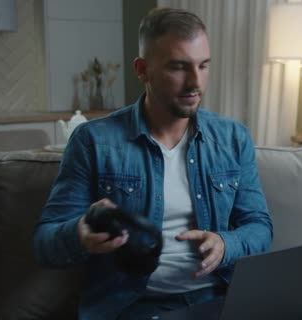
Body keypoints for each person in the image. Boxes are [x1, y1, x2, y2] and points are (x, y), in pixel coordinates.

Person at [33, 7, 273, 320]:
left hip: (217, 299)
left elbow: (260, 227)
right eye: (179, 67)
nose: (195, 83)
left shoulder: (232, 138)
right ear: (142, 69)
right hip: (133, 307)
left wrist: (225, 243)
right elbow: (44, 243)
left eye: (203, 66)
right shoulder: (93, 141)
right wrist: (79, 235)